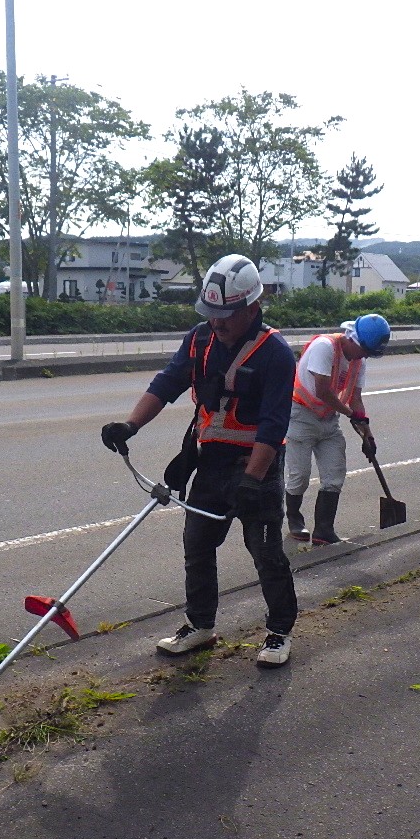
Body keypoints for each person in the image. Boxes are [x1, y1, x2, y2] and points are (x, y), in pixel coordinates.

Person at [100, 254, 299, 667]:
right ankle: (200, 625)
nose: (217, 322)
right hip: (209, 462)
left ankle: (279, 632)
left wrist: (252, 478)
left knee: (264, 551)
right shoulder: (199, 339)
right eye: (211, 313)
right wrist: (130, 425)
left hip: (255, 467)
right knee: (197, 543)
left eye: (226, 315)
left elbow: (275, 423)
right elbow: (167, 383)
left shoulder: (275, 352)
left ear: (252, 307)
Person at [284, 313, 391, 544]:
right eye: (364, 350)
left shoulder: (358, 361)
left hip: (328, 420)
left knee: (334, 474)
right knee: (300, 476)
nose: (364, 356)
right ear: (352, 338)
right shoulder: (325, 347)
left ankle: (323, 530)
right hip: (300, 416)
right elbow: (322, 391)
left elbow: (356, 399)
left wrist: (367, 433)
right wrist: (351, 414)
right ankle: (294, 519)